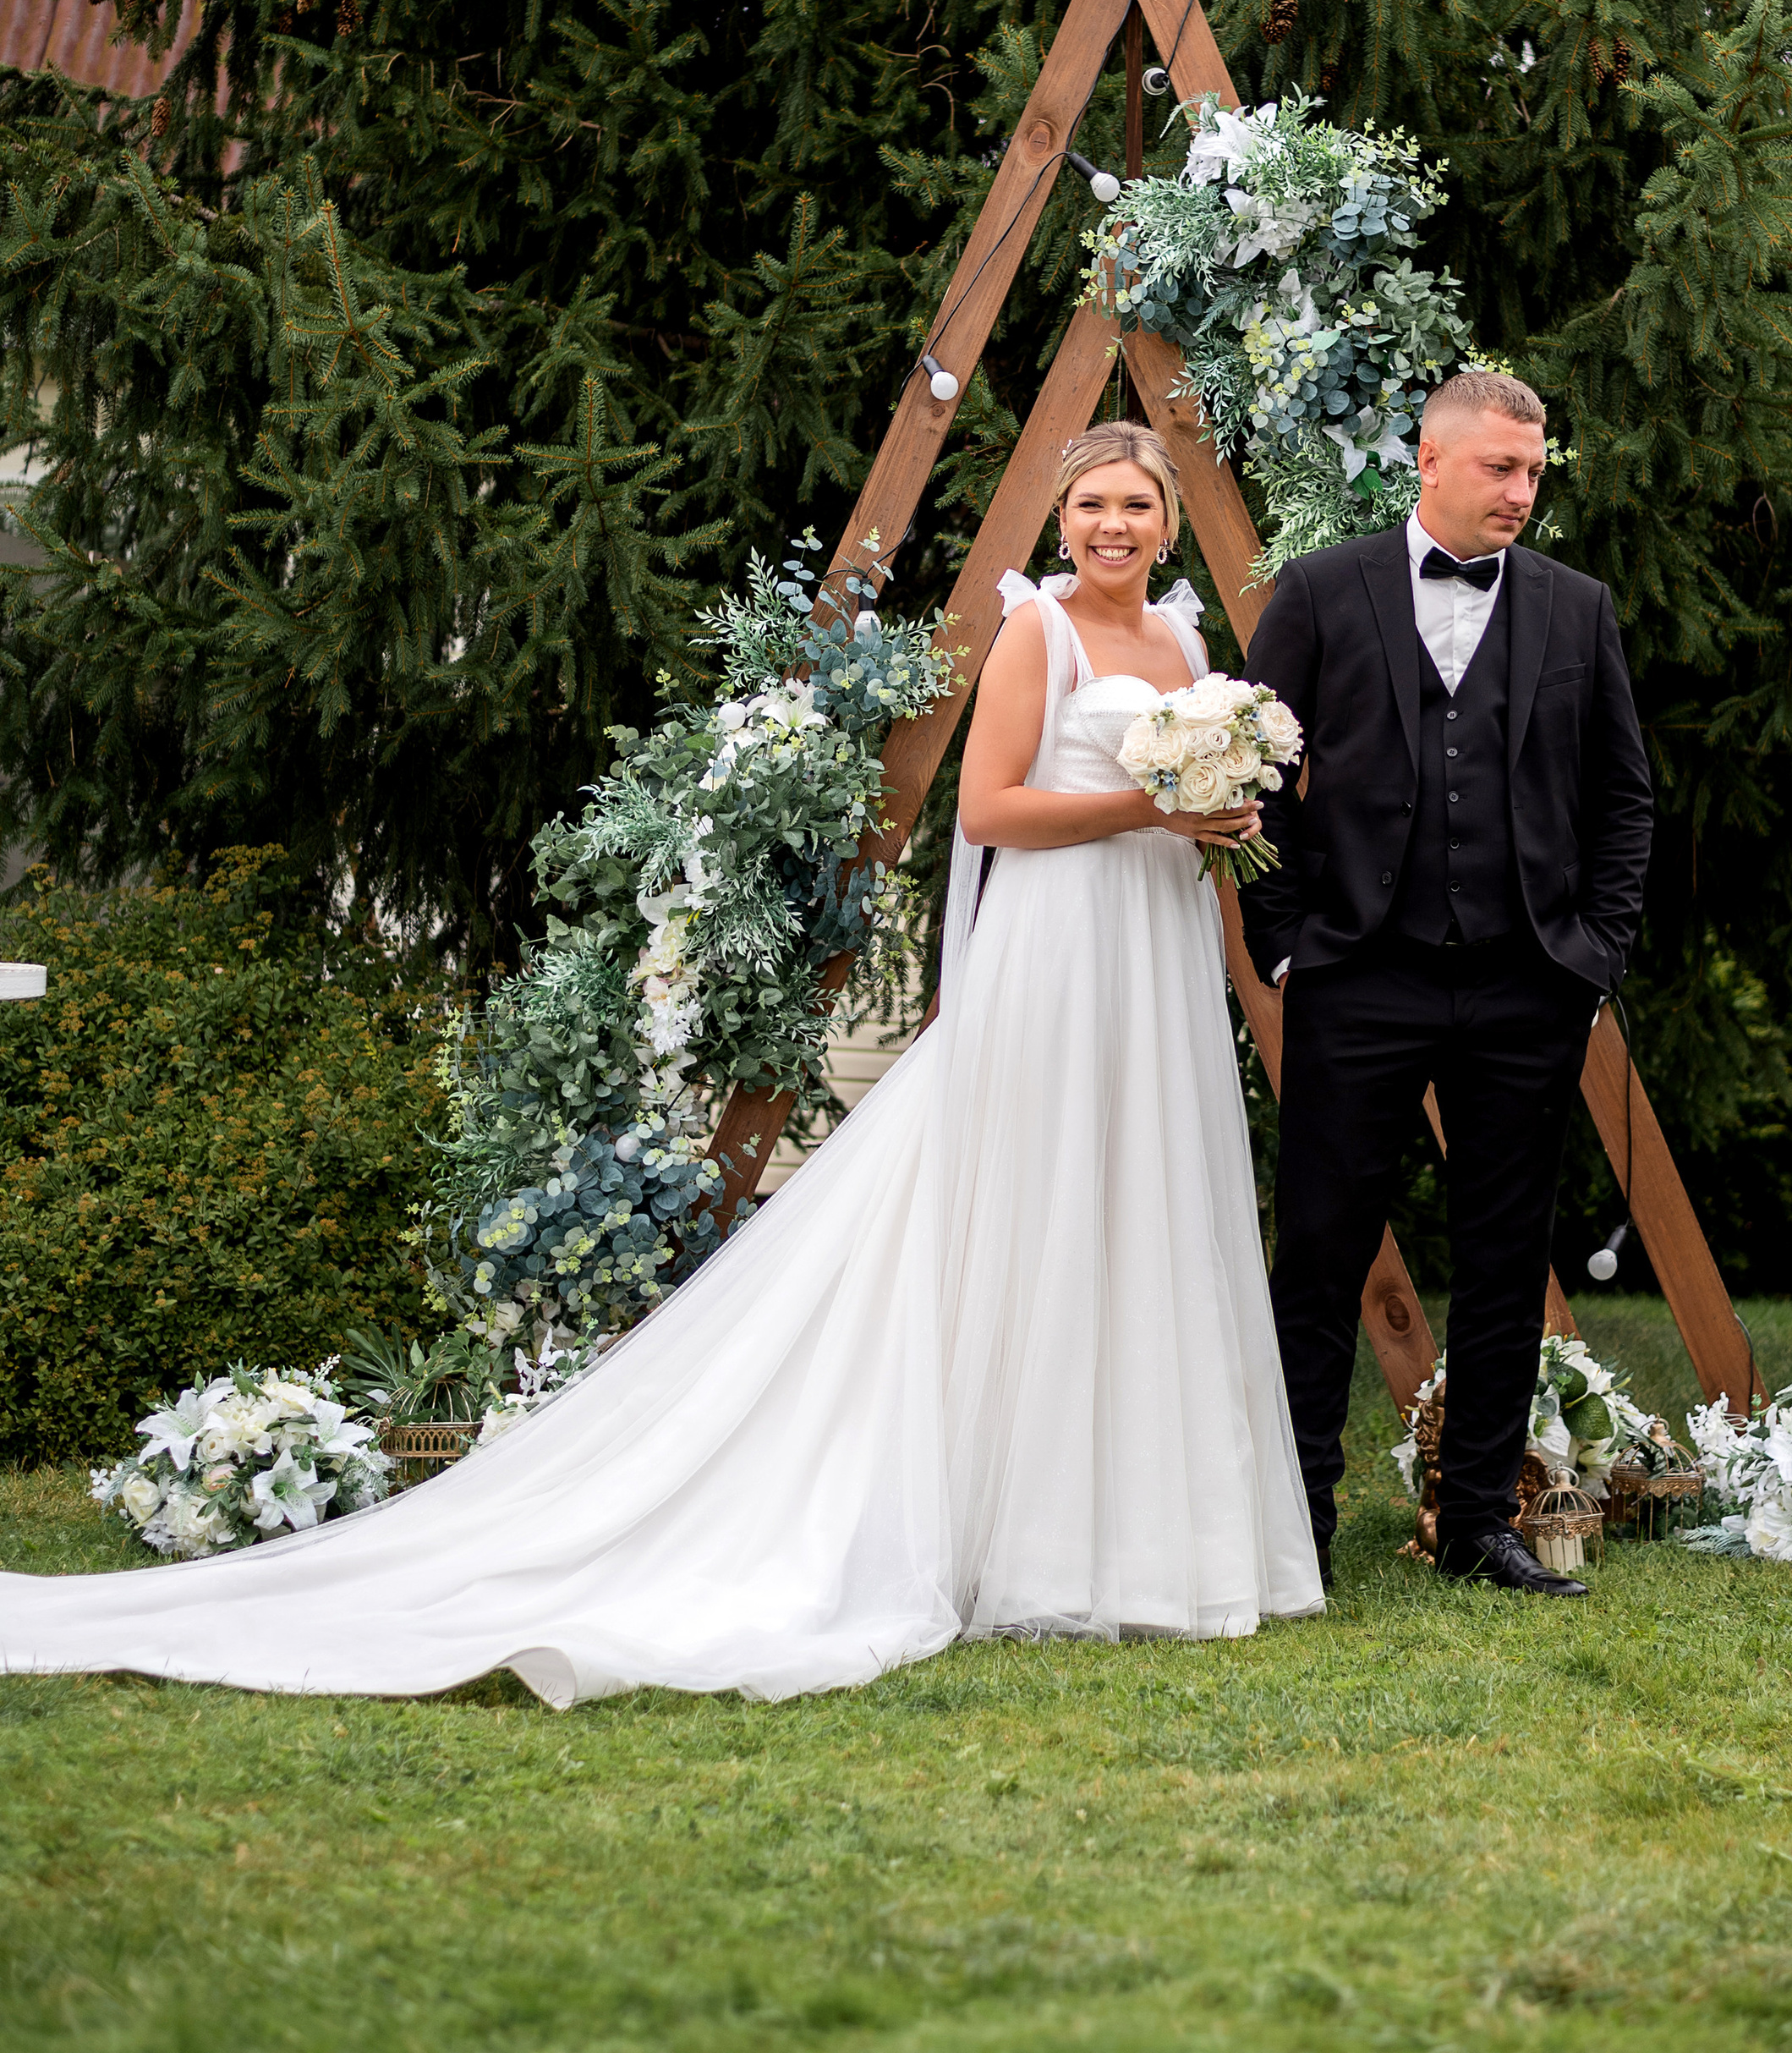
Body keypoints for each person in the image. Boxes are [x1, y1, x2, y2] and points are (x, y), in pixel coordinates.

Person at [0, 424, 1321, 1704]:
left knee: (1139, 1203)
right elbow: (989, 809)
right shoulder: (1037, 629)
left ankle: (1144, 1540)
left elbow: (1195, 804)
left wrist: (1215, 815)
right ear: (1062, 519)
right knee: (1036, 1210)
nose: (1113, 525)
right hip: (1058, 950)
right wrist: (1154, 804)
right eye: (1091, 503)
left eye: (1136, 505)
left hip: (1150, 950)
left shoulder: (1186, 641)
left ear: (1165, 522)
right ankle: (1022, 1541)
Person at [1242, 371, 1653, 1600]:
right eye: (1500, 468)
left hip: (1527, 985)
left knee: (1506, 1260)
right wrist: (1286, 942)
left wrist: (1590, 959)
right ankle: (1297, 1528)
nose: (1522, 491)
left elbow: (1623, 798)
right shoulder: (1321, 591)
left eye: (1534, 470)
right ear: (1429, 461)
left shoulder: (1576, 607)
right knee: (1320, 1256)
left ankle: (1477, 1520)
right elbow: (1254, 779)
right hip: (1359, 976)